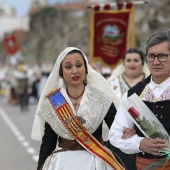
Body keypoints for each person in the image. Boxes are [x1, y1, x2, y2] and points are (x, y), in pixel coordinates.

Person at [31, 47, 127, 170]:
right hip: (63, 164)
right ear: (61, 71)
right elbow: (49, 141)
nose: (75, 71)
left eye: (79, 65)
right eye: (68, 67)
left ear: (86, 68)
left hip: (96, 161)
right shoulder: (53, 102)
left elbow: (117, 131)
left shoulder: (101, 98)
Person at [108, 29, 170, 169]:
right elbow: (115, 134)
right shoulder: (133, 94)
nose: (155, 61)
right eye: (151, 56)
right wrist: (139, 143)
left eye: (162, 56)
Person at [106, 48, 150, 170]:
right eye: (128, 60)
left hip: (146, 143)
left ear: (142, 63)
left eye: (136, 60)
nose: (132, 63)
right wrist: (121, 131)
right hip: (118, 143)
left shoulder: (151, 84)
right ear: (123, 63)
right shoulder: (110, 85)